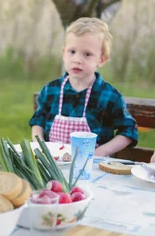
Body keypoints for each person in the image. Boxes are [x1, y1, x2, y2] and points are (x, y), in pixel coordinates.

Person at [30, 17, 138, 157]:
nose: (77, 59)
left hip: (93, 168)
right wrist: (40, 145)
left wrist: (101, 152)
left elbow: (129, 130)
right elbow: (38, 121)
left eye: (87, 54)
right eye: (72, 52)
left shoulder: (109, 96)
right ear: (64, 54)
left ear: (101, 59)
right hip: (54, 164)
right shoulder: (51, 90)